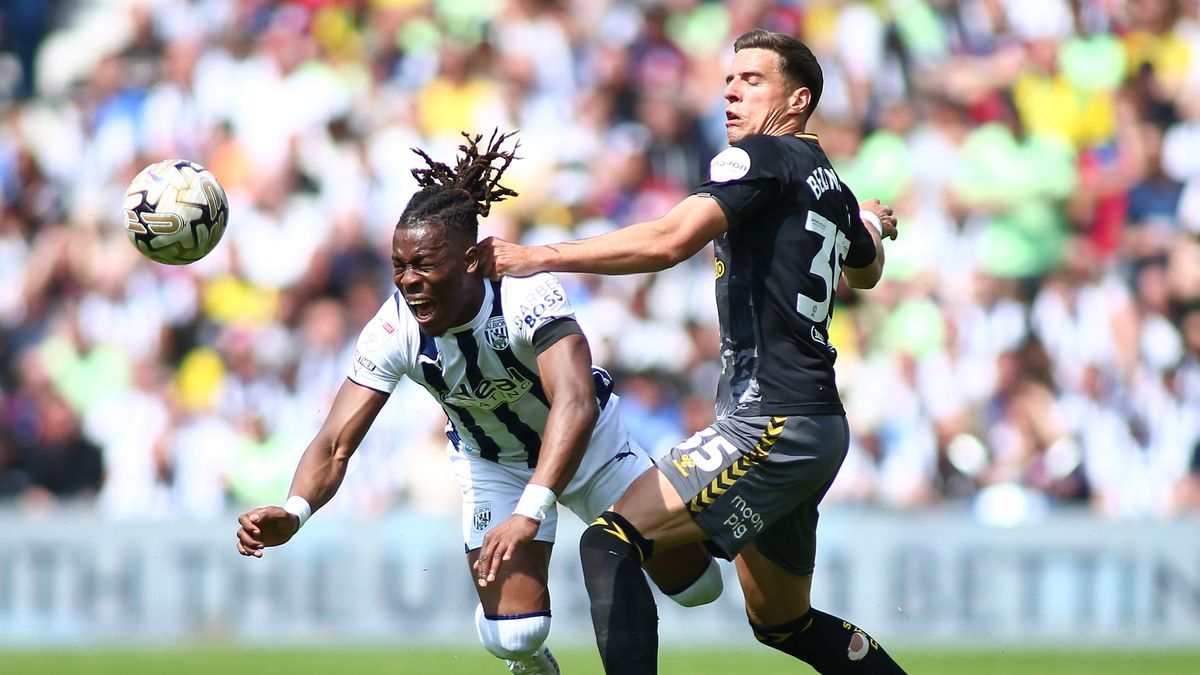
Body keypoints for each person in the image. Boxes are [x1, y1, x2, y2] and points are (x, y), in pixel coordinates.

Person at [477, 30, 906, 674]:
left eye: (752, 80)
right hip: (815, 424)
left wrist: (537, 256)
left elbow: (670, 240)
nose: (731, 91)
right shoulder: (830, 184)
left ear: (798, 100)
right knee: (783, 621)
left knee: (611, 540)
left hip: (773, 422)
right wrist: (865, 223)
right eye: (729, 80)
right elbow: (867, 272)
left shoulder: (760, 157)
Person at [233, 131, 723, 675]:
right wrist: (295, 510)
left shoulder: (525, 292)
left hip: (589, 446)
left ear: (470, 261)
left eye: (423, 264)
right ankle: (534, 663)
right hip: (493, 463)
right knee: (516, 636)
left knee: (700, 587)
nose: (409, 281)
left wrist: (530, 513)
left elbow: (576, 403)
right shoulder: (393, 327)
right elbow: (334, 441)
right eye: (398, 265)